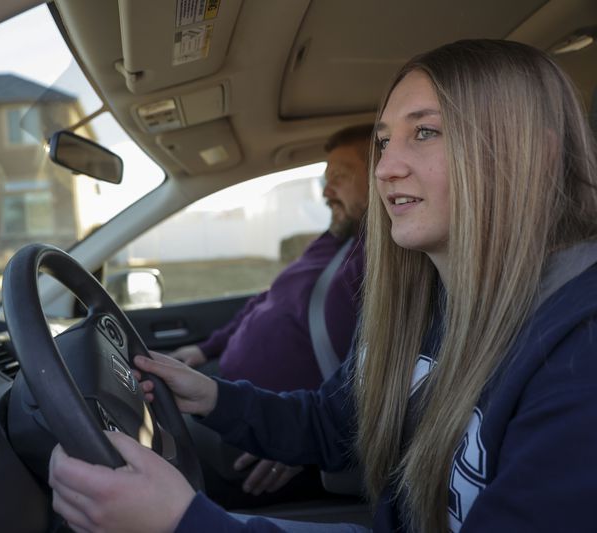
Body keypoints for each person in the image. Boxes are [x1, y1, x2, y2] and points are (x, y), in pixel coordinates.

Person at [48, 39, 597, 533]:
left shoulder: (579, 355)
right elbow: (331, 423)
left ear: (536, 153)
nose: (387, 168)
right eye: (384, 141)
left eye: (425, 133)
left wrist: (183, 525)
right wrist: (212, 396)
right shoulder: (427, 307)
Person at [170, 125, 370, 506]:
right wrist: (204, 349)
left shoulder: (387, 263)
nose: (327, 193)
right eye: (326, 181)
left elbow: (384, 388)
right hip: (239, 397)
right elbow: (267, 299)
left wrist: (306, 442)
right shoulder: (333, 243)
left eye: (340, 178)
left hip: (273, 440)